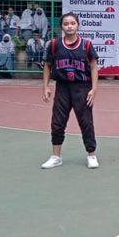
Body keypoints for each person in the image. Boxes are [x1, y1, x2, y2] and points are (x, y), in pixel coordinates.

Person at [40, 13, 99, 169]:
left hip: (82, 87)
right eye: (66, 24)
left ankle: (91, 154)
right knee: (57, 122)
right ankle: (56, 156)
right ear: (61, 27)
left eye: (73, 23)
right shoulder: (54, 45)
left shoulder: (86, 45)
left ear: (78, 25)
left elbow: (94, 67)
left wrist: (94, 89)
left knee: (86, 122)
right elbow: (47, 66)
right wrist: (46, 86)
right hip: (62, 87)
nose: (69, 26)